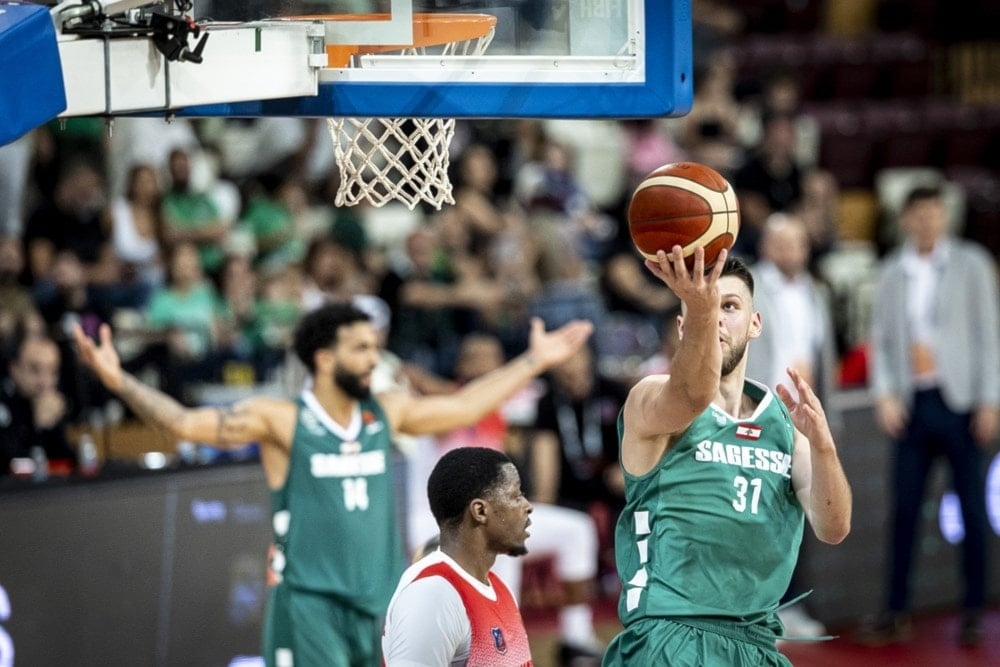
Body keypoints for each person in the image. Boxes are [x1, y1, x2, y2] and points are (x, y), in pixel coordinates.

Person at [72, 302, 592, 667]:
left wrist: (535, 361)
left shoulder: (383, 413)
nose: (373, 359)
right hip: (310, 604)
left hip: (379, 598)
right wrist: (119, 381)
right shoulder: (283, 420)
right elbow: (185, 425)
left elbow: (463, 406)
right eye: (360, 348)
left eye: (375, 347)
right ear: (324, 358)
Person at [602, 246, 851, 666]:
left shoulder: (785, 424)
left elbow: (833, 527)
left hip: (757, 643)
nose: (716, 315)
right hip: (670, 636)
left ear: (755, 324)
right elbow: (694, 394)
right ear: (682, 326)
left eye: (729, 306)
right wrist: (702, 309)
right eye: (704, 308)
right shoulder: (651, 398)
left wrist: (824, 447)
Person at [863, 185, 1000, 646]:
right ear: (906, 219)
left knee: (972, 509)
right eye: (918, 215)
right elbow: (879, 338)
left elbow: (989, 333)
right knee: (903, 509)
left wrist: (990, 399)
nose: (927, 223)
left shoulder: (972, 264)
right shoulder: (891, 272)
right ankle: (895, 609)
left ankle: (973, 610)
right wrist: (883, 394)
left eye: (935, 215)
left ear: (945, 218)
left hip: (959, 401)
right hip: (912, 402)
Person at [746, 213, 839, 638]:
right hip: (759, 412)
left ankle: (788, 604)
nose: (791, 252)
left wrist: (826, 417)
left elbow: (825, 356)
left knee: (797, 510)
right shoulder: (748, 285)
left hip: (803, 416)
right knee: (754, 508)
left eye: (798, 243)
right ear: (766, 246)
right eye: (782, 243)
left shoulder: (815, 291)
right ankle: (752, 607)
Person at [382, 446, 534, 666]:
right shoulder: (433, 595)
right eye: (515, 495)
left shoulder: (499, 588)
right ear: (480, 511)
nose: (527, 506)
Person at [1, 332, 77, 477]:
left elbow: (66, 463)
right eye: (35, 370)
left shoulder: (51, 404)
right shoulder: (5, 404)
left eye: (52, 371)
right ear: (15, 369)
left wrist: (48, 428)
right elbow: (10, 465)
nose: (44, 381)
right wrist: (37, 428)